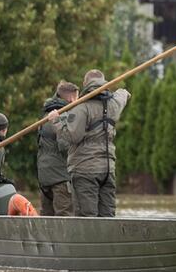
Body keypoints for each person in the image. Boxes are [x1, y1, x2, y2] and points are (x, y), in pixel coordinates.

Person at [49, 69, 130, 217]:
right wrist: (123, 91)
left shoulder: (81, 108)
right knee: (108, 217)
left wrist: (56, 120)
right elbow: (123, 94)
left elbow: (72, 136)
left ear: (85, 84)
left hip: (84, 170)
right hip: (107, 170)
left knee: (87, 218)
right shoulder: (114, 105)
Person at [37, 81, 79, 216]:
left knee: (46, 219)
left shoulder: (45, 116)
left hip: (44, 176)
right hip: (60, 178)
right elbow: (65, 146)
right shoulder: (65, 116)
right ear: (72, 98)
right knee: (64, 218)